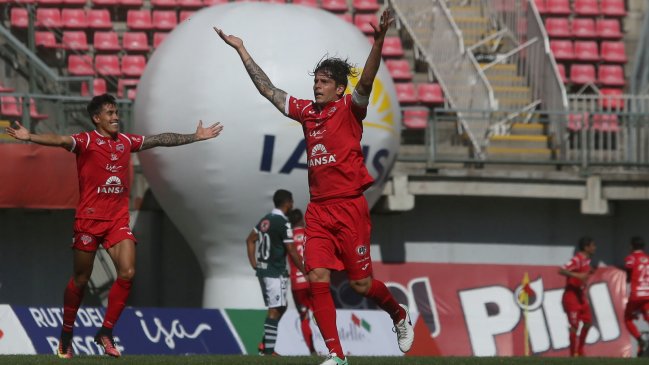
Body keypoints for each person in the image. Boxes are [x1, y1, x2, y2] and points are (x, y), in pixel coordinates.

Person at [215, 9, 414, 365]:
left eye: (323, 82)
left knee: (361, 286)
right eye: (316, 81)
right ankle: (336, 356)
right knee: (316, 276)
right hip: (319, 210)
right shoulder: (308, 113)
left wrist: (379, 41)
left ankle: (398, 314)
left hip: (350, 208)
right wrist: (242, 51)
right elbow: (270, 92)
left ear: (338, 88)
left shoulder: (350, 109)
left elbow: (366, 82)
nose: (316, 86)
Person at [5, 94, 223, 359]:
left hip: (117, 221)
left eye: (116, 112)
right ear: (97, 118)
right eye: (109, 113)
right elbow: (61, 140)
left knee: (128, 272)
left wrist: (194, 136)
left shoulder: (126, 142)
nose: (115, 117)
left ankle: (106, 331)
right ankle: (66, 334)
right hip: (88, 220)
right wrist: (30, 136)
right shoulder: (86, 141)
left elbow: (159, 140)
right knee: (81, 279)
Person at [245, 189, 305, 356]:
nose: (292, 204)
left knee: (281, 306)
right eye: (291, 201)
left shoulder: (266, 220)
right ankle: (268, 351)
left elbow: (250, 240)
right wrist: (304, 270)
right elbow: (292, 251)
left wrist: (254, 263)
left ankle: (265, 344)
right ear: (288, 203)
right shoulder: (283, 222)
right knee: (275, 309)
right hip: (274, 272)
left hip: (263, 271)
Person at [558, 236, 596, 357]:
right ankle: (573, 354)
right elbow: (561, 270)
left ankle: (580, 350)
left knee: (588, 323)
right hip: (571, 297)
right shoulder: (576, 260)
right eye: (593, 245)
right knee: (574, 326)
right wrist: (577, 276)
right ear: (586, 247)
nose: (595, 248)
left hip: (581, 297)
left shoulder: (587, 261)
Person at [287, 208, 316, 355]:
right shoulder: (309, 234)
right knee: (321, 311)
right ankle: (333, 348)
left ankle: (312, 351)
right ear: (301, 220)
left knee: (304, 317)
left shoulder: (288, 237)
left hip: (297, 284)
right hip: (312, 280)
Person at [623, 236, 649, 357]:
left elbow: (628, 269)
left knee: (627, 318)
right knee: (647, 316)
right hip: (647, 293)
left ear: (632, 246)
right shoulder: (648, 258)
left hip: (636, 294)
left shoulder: (631, 258)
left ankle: (640, 340)